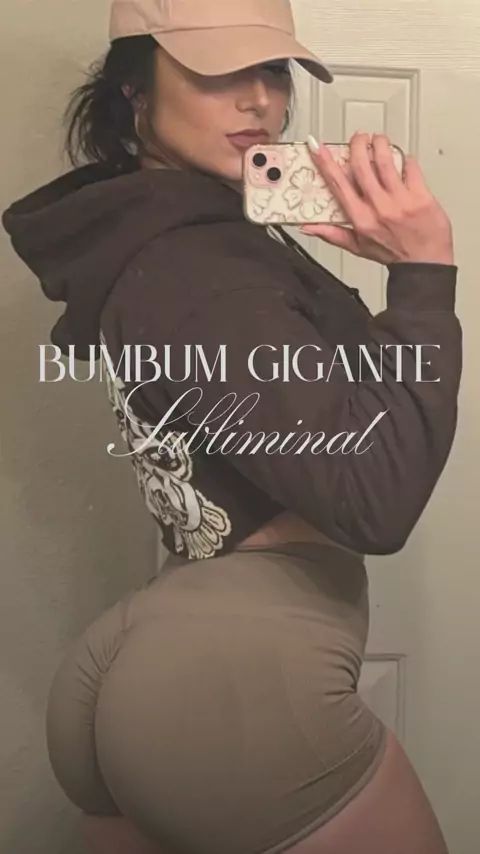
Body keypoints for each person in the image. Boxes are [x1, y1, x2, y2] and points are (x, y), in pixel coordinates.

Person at [2, 1, 461, 853]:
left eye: (273, 71)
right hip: (242, 677)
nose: (259, 101)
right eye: (218, 73)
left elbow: (313, 416)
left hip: (168, 651)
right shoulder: (201, 265)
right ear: (134, 90)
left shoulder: (157, 232)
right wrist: (424, 275)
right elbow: (375, 497)